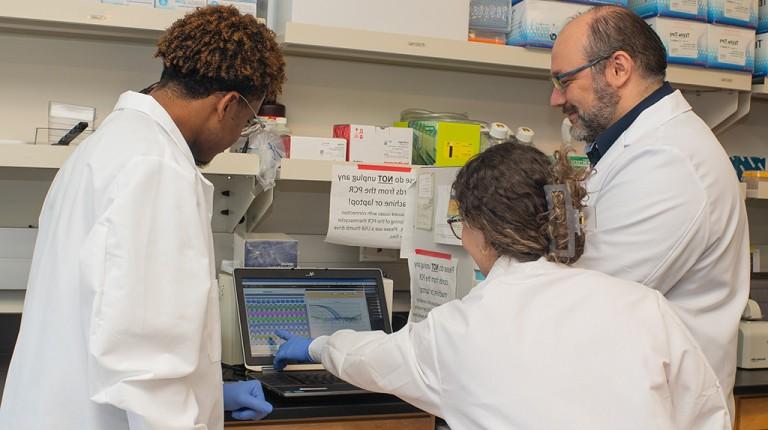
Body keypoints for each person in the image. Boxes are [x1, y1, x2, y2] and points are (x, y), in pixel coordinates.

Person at [273, 142, 731, 429]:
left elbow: (370, 359)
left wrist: (317, 346)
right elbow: (708, 414)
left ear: (478, 229)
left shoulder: (459, 329)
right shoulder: (642, 306)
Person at [0, 6, 285, 429]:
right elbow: (148, 369)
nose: (233, 141)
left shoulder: (107, 145)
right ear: (227, 105)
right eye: (245, 124)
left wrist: (208, 392)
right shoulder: (158, 167)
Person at [550, 5, 750, 414]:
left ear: (618, 68)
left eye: (564, 81)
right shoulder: (636, 147)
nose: (556, 98)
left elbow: (587, 302)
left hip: (659, 411)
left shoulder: (670, 160)